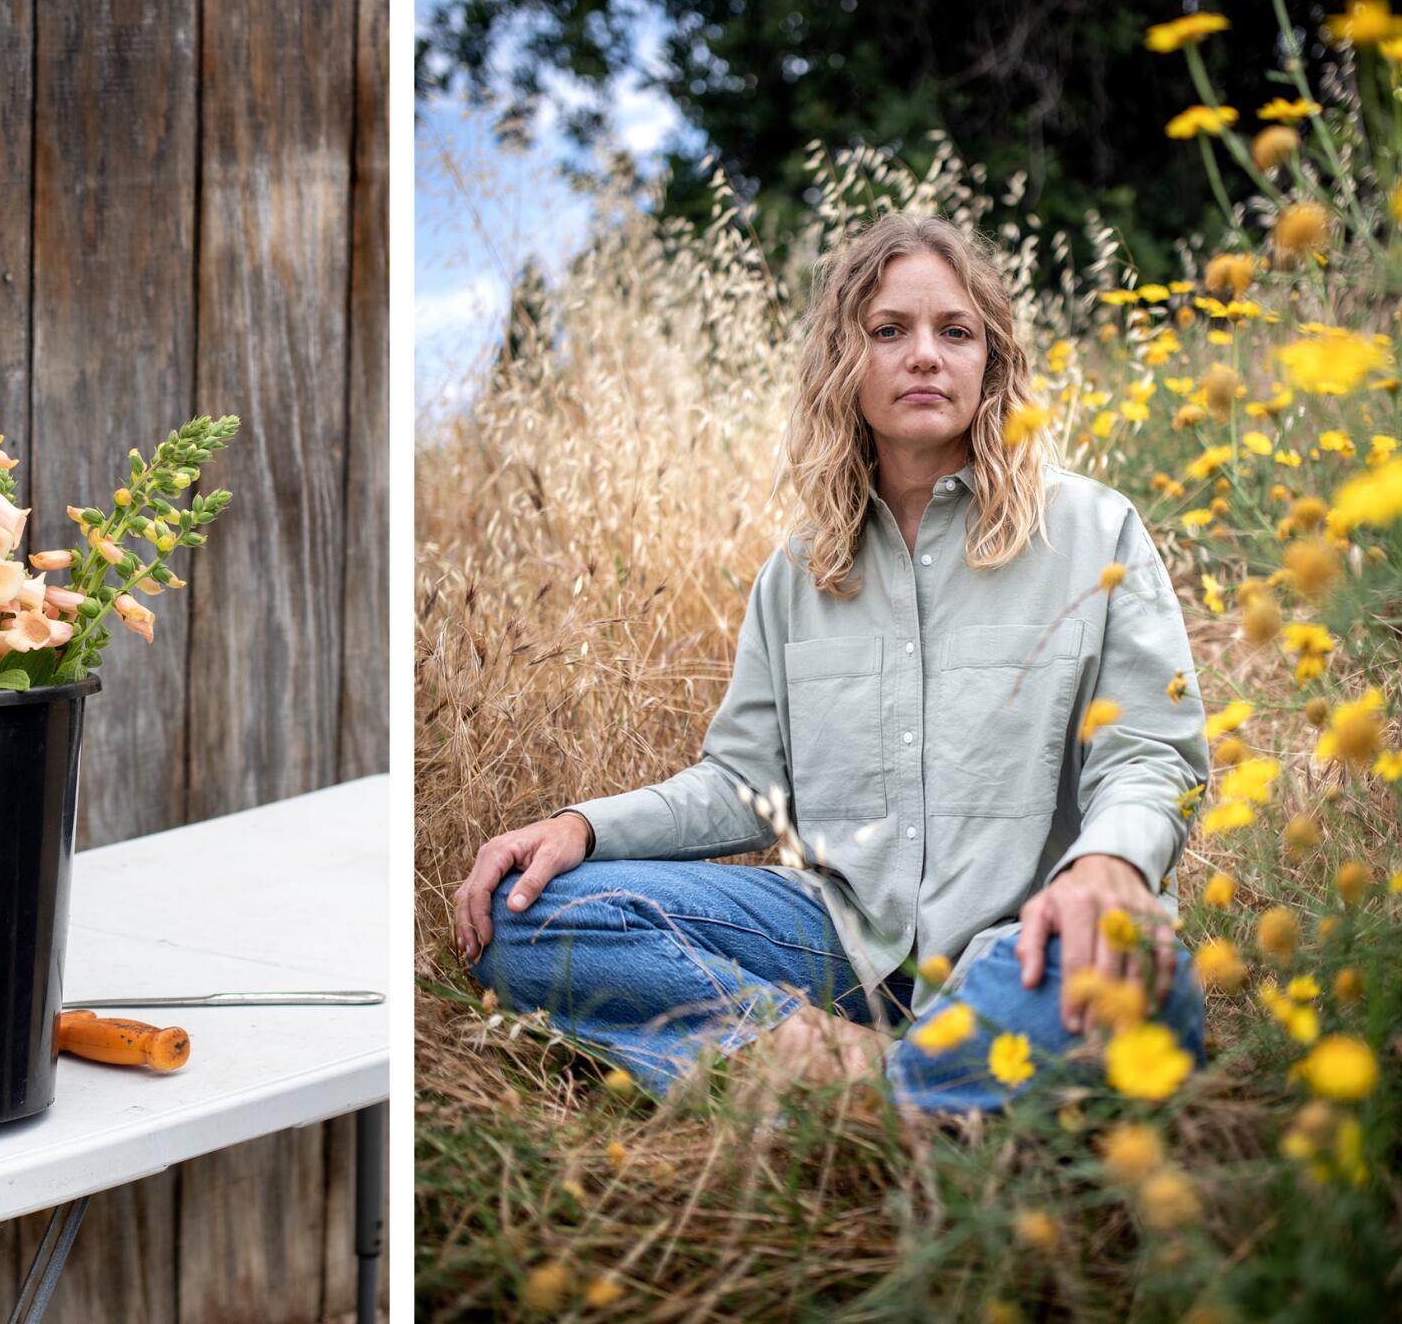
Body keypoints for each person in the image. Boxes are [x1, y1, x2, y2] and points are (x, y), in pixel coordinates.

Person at [450, 212, 1212, 1112]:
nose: (924, 354)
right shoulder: (801, 571)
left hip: (1028, 936)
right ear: (843, 366)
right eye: (889, 331)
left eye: (954, 331)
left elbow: (1152, 754)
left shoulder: (1093, 530)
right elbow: (741, 782)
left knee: (1140, 990)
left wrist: (1109, 867)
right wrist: (583, 827)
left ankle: (829, 1085)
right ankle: (909, 1084)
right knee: (526, 920)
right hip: (839, 944)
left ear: (991, 363)